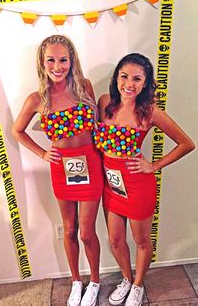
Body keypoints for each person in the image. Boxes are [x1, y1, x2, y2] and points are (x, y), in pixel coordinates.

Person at [93, 53, 195, 306]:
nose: (129, 83)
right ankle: (127, 278)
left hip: (138, 184)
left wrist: (154, 165)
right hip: (111, 183)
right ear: (116, 77)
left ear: (146, 83)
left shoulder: (149, 112)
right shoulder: (104, 102)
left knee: (141, 241)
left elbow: (187, 143)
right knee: (116, 240)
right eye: (124, 76)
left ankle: (138, 285)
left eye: (137, 79)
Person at [12, 35, 104, 306]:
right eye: (51, 59)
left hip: (90, 163)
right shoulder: (36, 99)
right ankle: (76, 281)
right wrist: (42, 153)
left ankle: (95, 281)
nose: (57, 66)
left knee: (87, 232)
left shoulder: (85, 87)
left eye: (63, 59)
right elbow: (17, 130)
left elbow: (96, 124)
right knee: (70, 229)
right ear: (42, 63)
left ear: (71, 60)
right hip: (62, 167)